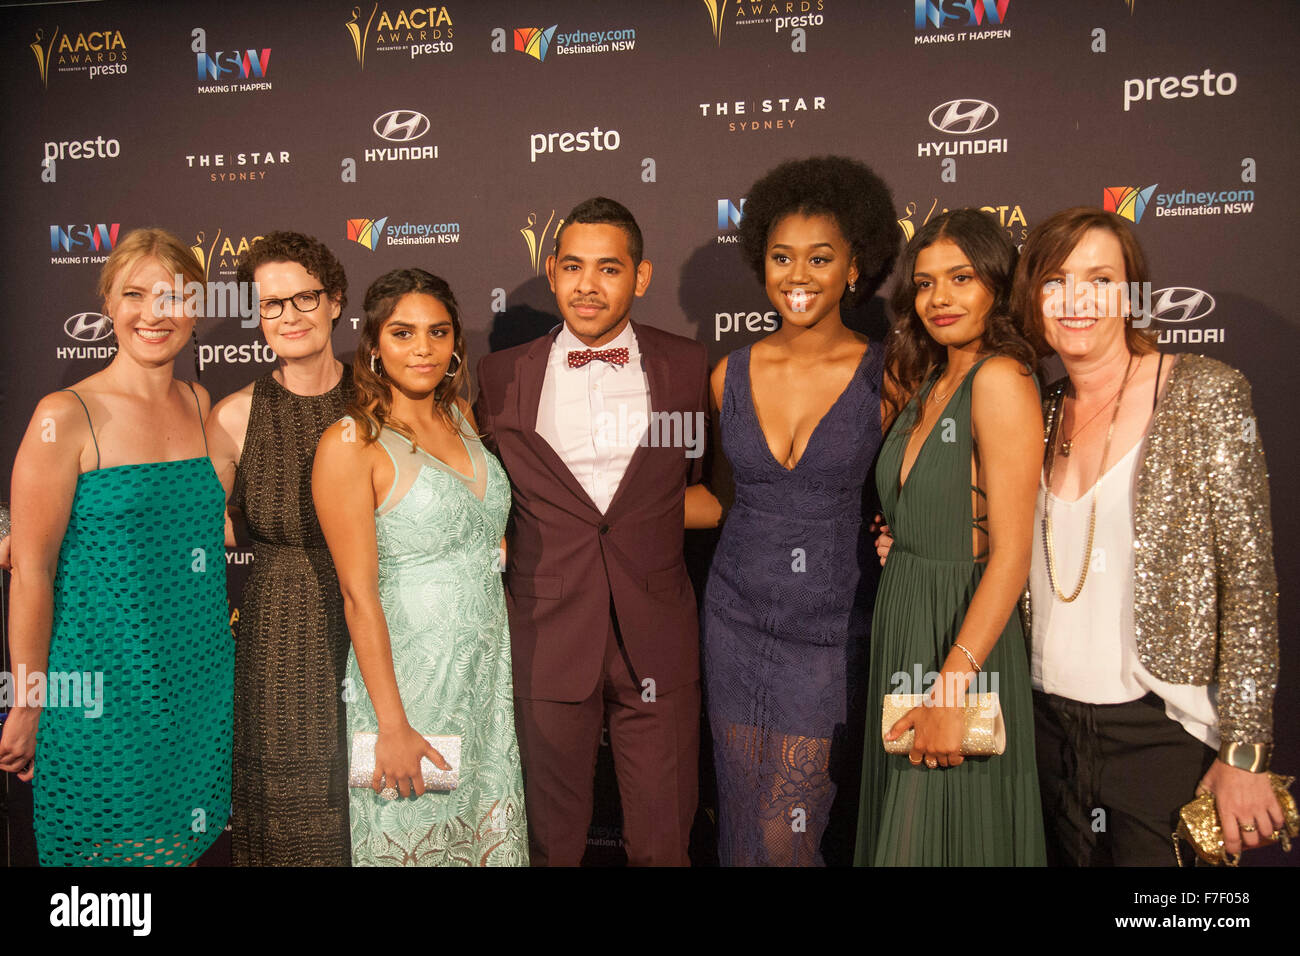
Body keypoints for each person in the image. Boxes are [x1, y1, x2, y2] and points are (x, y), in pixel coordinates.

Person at [1015, 207, 1284, 865]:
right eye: (1056, 280)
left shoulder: (1203, 393)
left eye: (1100, 278)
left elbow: (1247, 582)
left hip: (1161, 742)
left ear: (1133, 294)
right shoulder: (1039, 410)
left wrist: (1244, 751)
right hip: (1043, 735)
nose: (1076, 299)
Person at [474, 197, 709, 866]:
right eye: (573, 266)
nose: (587, 285)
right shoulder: (500, 374)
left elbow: (706, 487)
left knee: (664, 840)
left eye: (609, 268)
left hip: (658, 633)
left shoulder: (687, 367)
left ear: (641, 277)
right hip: (547, 630)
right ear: (551, 272)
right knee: (550, 840)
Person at [0, 228, 232, 865]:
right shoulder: (65, 414)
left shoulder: (198, 401)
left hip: (196, 688)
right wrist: (28, 702)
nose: (153, 313)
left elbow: (192, 532)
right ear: (108, 304)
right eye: (134, 294)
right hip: (102, 695)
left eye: (172, 296)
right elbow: (32, 572)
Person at [698, 156, 896, 865]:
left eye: (820, 257)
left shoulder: (888, 376)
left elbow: (917, 492)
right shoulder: (729, 373)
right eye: (782, 257)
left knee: (791, 830)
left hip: (829, 628)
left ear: (854, 266)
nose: (798, 275)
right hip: (734, 618)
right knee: (744, 818)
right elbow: (718, 501)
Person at [313, 268, 526, 867]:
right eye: (403, 334)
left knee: (481, 842)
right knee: (415, 841)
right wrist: (393, 727)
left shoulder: (461, 416)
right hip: (409, 684)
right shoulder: (351, 442)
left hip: (484, 679)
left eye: (437, 333)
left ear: (456, 342)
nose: (423, 349)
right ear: (374, 346)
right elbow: (359, 597)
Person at [856, 208, 1046, 866]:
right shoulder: (931, 381)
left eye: (961, 278)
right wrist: (903, 542)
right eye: (927, 282)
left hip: (962, 640)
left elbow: (1012, 554)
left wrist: (949, 689)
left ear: (997, 284)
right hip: (906, 618)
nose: (940, 298)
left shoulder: (1001, 379)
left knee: (946, 837)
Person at [206, 231, 355, 866]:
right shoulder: (234, 414)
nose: (289, 316)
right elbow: (191, 523)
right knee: (288, 816)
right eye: (273, 305)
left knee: (370, 799)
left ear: (336, 302)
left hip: (376, 622)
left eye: (304, 298)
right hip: (277, 637)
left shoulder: (381, 399)